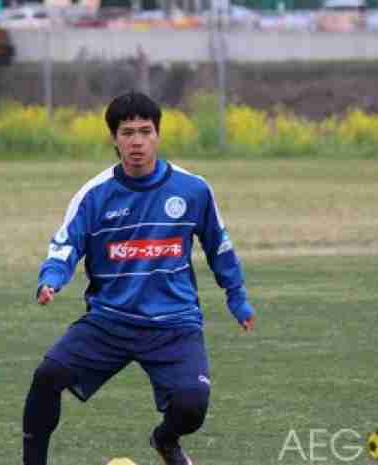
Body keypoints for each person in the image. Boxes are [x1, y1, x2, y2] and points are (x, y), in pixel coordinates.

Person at [22, 91, 256, 465]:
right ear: (114, 139)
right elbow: (66, 243)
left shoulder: (193, 189)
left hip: (174, 323)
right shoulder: (94, 194)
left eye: (145, 131)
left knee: (192, 406)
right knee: (48, 375)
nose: (137, 142)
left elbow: (220, 247)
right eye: (127, 132)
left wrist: (237, 298)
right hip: (110, 320)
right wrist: (51, 278)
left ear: (158, 135)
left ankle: (165, 440)